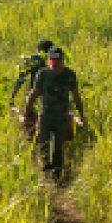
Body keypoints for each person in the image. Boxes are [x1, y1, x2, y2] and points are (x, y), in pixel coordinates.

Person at [23, 45, 87, 178]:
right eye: (52, 61)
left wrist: (81, 115)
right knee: (43, 144)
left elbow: (76, 96)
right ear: (48, 61)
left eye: (58, 61)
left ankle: (57, 174)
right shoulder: (43, 74)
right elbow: (34, 94)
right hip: (45, 115)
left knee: (58, 148)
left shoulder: (69, 75)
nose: (55, 65)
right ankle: (46, 169)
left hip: (62, 117)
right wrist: (26, 112)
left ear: (63, 60)